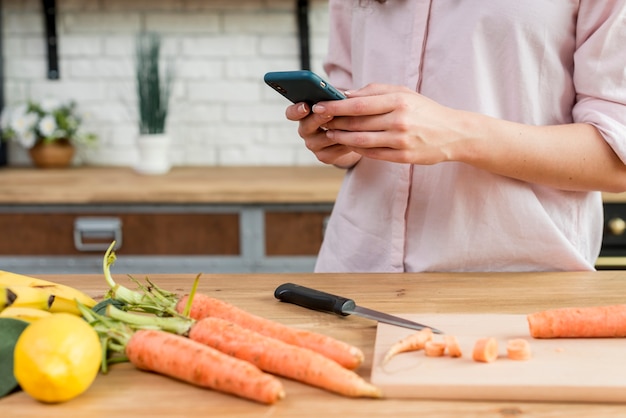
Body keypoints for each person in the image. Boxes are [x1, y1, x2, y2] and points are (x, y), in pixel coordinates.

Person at [285, 1, 626, 273]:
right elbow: (349, 97)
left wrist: (455, 135)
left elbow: (615, 160)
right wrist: (339, 137)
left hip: (511, 284)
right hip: (354, 270)